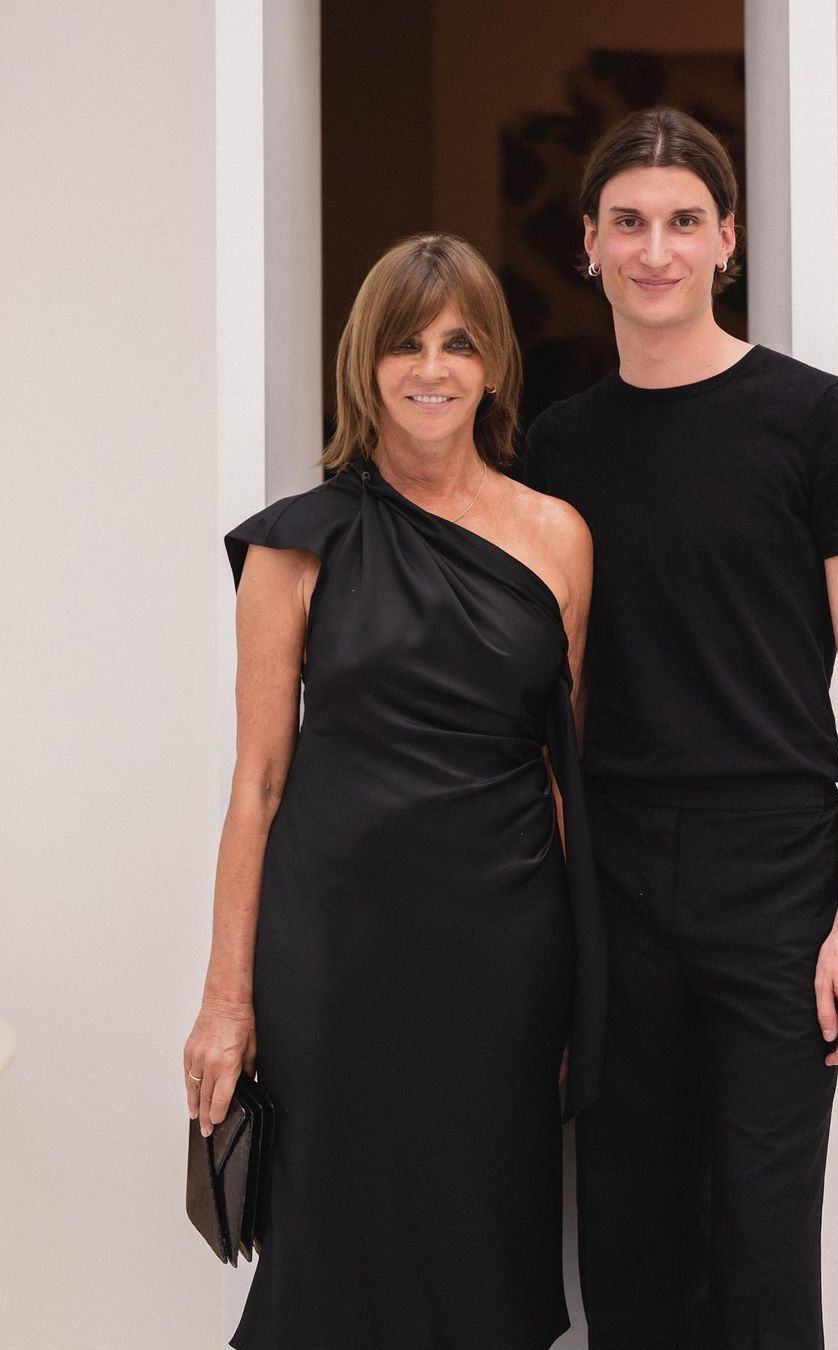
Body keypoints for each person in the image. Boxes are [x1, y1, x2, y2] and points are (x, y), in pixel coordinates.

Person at [524, 107, 838, 1349]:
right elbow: (546, 688)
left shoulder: (814, 418)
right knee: (627, 1240)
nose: (657, 250)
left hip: (777, 864)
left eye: (684, 221)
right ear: (589, 242)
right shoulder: (556, 448)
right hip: (615, 866)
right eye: (629, 222)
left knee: (762, 1242)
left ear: (727, 239)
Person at [183, 233, 604, 1350]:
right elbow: (258, 781)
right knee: (332, 1253)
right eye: (405, 344)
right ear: (363, 364)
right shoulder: (295, 545)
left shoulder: (558, 538)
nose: (432, 369)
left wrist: (583, 987)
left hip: (504, 956)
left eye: (459, 343)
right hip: (337, 953)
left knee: (482, 1246)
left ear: (495, 365)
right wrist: (227, 1000)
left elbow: (563, 773)